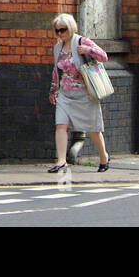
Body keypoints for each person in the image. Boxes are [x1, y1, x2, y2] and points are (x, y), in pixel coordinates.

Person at [48, 13, 110, 172]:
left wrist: (88, 50)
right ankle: (61, 161)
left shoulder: (82, 41)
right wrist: (53, 90)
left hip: (84, 93)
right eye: (58, 31)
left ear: (71, 28)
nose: (61, 34)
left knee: (92, 129)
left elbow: (104, 56)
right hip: (65, 94)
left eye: (63, 30)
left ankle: (103, 156)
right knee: (60, 125)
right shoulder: (57, 48)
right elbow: (56, 71)